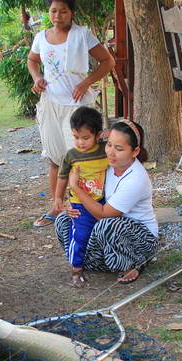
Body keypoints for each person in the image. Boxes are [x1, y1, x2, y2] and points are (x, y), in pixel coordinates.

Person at [27, 0, 114, 227]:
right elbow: (32, 60)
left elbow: (108, 61)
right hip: (51, 104)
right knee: (55, 159)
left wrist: (86, 82)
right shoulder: (41, 37)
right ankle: (56, 207)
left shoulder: (82, 35)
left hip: (77, 107)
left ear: (71, 13)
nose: (58, 16)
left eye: (63, 11)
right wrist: (37, 78)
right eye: (54, 11)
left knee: (82, 158)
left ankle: (88, 207)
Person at [55, 120, 158, 284]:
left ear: (135, 151)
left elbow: (104, 215)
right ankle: (100, 262)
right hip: (104, 230)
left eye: (119, 149)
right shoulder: (107, 165)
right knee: (63, 220)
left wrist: (75, 187)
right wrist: (71, 203)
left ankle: (135, 262)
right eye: (109, 145)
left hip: (139, 239)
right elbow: (88, 187)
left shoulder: (135, 178)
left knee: (107, 225)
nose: (111, 152)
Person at [55, 106, 108, 286]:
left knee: (102, 231)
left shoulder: (105, 150)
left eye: (85, 138)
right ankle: (76, 269)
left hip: (101, 200)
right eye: (76, 137)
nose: (80, 142)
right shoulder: (72, 155)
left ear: (98, 134)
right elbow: (62, 177)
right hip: (79, 204)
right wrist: (58, 198)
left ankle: (101, 261)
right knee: (80, 235)